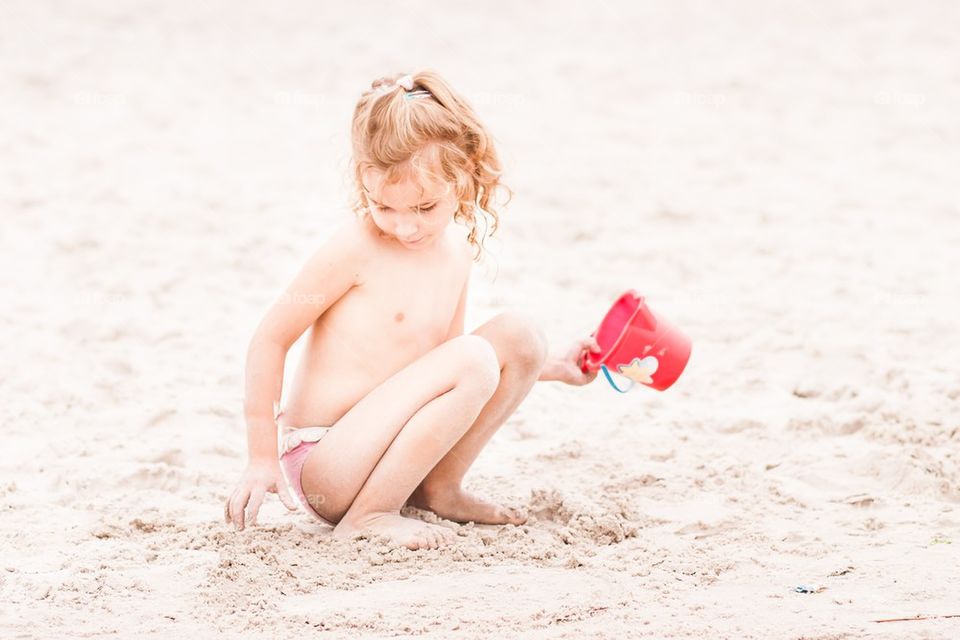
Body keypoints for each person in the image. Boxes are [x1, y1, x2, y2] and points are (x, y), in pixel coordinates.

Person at [224, 70, 602, 550]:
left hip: (388, 452)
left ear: (463, 177)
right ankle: (368, 516)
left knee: (520, 335)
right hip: (327, 460)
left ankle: (438, 488)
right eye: (386, 207)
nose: (405, 227)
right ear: (365, 181)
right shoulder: (356, 247)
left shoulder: (456, 255)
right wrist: (261, 456)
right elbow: (270, 339)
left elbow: (446, 366)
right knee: (474, 357)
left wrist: (554, 369)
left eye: (424, 207)